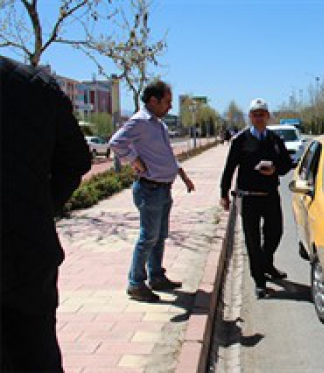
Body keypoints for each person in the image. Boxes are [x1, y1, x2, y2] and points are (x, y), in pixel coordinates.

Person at [1, 56, 92, 371]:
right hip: (27, 253)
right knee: (35, 352)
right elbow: (77, 160)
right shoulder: (35, 85)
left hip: (27, 254)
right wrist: (39, 209)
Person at [109, 80, 196, 303]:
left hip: (163, 189)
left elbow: (167, 155)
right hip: (149, 189)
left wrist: (183, 175)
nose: (170, 107)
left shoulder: (158, 124)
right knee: (148, 237)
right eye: (166, 102)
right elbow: (116, 143)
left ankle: (156, 276)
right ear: (153, 100)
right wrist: (133, 159)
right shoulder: (139, 122)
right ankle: (135, 283)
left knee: (159, 237)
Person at [220, 98, 293, 298]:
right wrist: (224, 194)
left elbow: (287, 164)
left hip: (270, 196)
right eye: (255, 114)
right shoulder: (240, 140)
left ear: (268, 116)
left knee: (275, 233)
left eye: (262, 114)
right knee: (252, 240)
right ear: (250, 117)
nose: (259, 117)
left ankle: (266, 263)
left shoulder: (275, 140)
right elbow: (229, 169)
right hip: (249, 198)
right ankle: (259, 281)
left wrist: (275, 169)